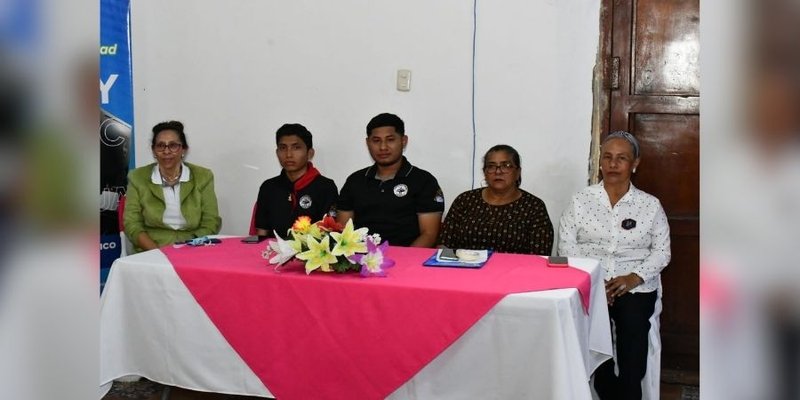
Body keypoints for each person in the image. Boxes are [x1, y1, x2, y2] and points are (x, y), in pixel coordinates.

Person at [557, 131, 671, 400]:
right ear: (600, 162)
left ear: (635, 164)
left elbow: (662, 252)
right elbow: (567, 245)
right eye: (607, 157)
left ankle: (630, 391)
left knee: (633, 327)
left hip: (635, 286)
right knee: (595, 336)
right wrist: (595, 282)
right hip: (591, 283)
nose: (612, 164)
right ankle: (607, 391)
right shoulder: (581, 201)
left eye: (621, 158)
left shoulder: (649, 205)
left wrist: (633, 278)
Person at [336, 113, 444, 247]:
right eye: (376, 140)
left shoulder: (424, 181)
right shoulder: (355, 181)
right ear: (367, 143)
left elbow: (429, 235)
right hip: (360, 260)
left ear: (403, 141)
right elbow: (342, 232)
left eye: (390, 139)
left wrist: (403, 263)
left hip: (407, 260)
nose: (383, 147)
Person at [124, 121, 221, 252]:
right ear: (154, 151)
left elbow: (211, 221)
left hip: (194, 248)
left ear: (183, 149)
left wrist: (189, 247)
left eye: (173, 145)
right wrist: (157, 253)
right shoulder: (137, 177)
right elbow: (132, 224)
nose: (166, 151)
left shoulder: (203, 176)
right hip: (151, 249)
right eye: (160, 146)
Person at [438, 144, 553, 255]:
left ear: (518, 172)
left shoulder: (533, 207)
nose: (498, 172)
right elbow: (444, 245)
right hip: (465, 270)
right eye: (491, 166)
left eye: (506, 165)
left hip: (515, 273)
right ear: (485, 172)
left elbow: (540, 256)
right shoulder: (465, 200)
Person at [254, 123, 338, 238]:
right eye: (283, 148)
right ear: (277, 152)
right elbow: (261, 233)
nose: (288, 154)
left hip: (312, 253)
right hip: (273, 253)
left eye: (296, 147)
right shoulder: (269, 187)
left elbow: (330, 233)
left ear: (310, 153)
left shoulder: (325, 187)